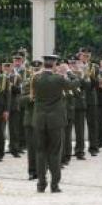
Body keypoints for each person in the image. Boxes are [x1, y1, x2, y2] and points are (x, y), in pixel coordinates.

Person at [32, 54, 70, 193]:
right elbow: (74, 85)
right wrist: (68, 72)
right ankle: (54, 185)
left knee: (40, 152)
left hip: (40, 119)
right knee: (55, 152)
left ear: (43, 64)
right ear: (54, 65)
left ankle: (41, 184)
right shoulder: (59, 79)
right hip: (55, 120)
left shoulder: (36, 78)